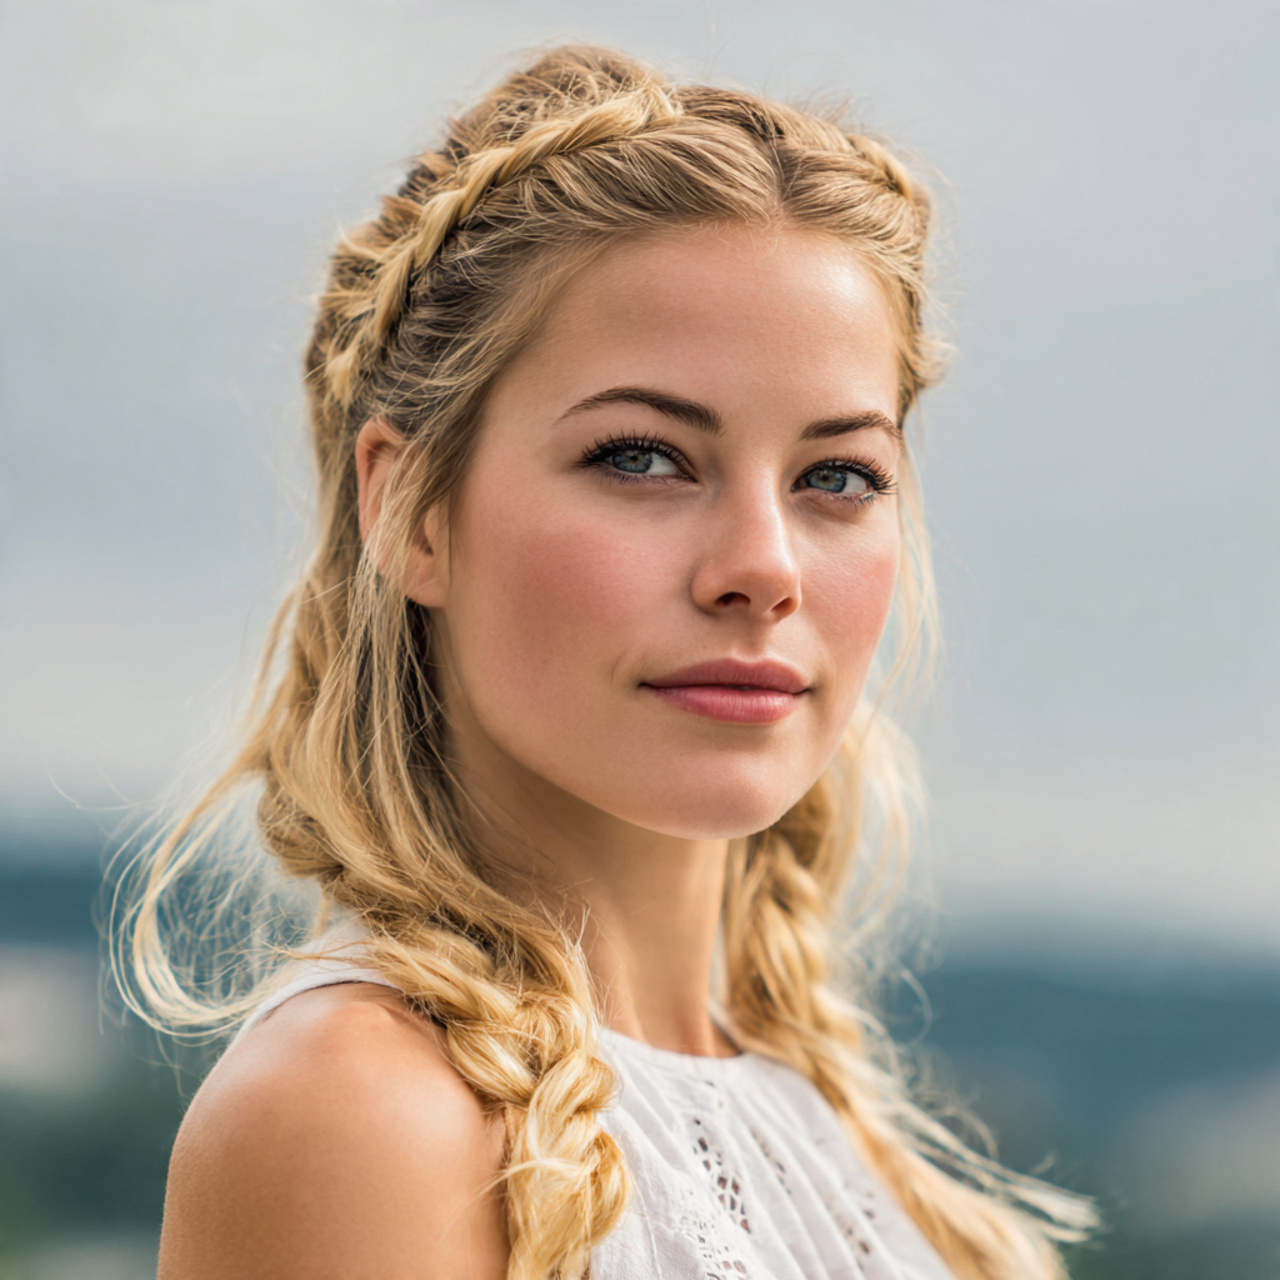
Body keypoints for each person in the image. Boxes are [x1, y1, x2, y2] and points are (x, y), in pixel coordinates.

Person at [116, 45, 1094, 1280]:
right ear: (410, 507)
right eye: (640, 457)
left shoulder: (840, 1139)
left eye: (835, 476)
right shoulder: (365, 1115)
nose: (762, 565)